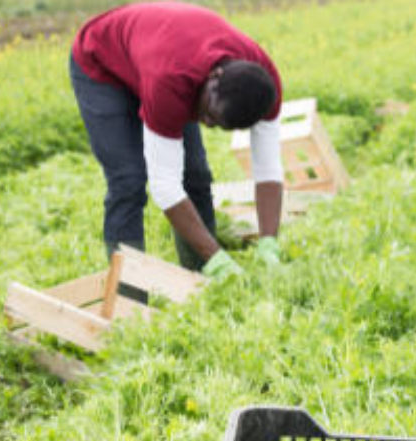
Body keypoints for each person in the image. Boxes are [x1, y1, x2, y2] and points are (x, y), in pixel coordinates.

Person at [69, 1, 286, 288]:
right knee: (128, 181)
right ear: (215, 77)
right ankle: (129, 299)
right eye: (208, 114)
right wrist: (218, 257)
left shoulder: (262, 88)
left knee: (195, 174)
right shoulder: (171, 81)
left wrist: (269, 241)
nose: (206, 123)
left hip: (160, 56)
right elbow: (164, 186)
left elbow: (268, 168)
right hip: (102, 65)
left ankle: (201, 283)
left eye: (218, 125)